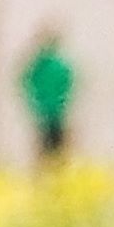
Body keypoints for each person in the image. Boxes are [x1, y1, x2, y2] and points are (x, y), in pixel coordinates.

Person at [21, 27, 75, 162]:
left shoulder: (39, 65)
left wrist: (35, 102)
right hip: (52, 112)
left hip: (49, 113)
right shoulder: (53, 66)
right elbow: (69, 84)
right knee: (56, 149)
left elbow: (27, 83)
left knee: (49, 148)